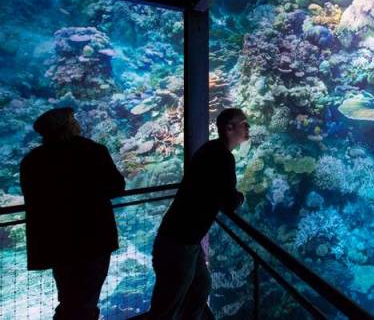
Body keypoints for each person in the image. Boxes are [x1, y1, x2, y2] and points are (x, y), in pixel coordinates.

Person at [20, 107, 125, 319]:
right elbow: (117, 187)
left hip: (57, 241)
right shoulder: (93, 151)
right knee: (87, 297)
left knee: (68, 297)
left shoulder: (33, 160)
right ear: (67, 126)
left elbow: (33, 200)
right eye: (72, 119)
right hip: (94, 237)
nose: (76, 121)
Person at [149, 108, 248, 319]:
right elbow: (229, 201)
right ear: (229, 128)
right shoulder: (222, 157)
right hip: (180, 242)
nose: (248, 127)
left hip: (182, 239)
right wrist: (241, 197)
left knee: (201, 287)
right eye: (244, 123)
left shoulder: (210, 149)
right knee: (168, 303)